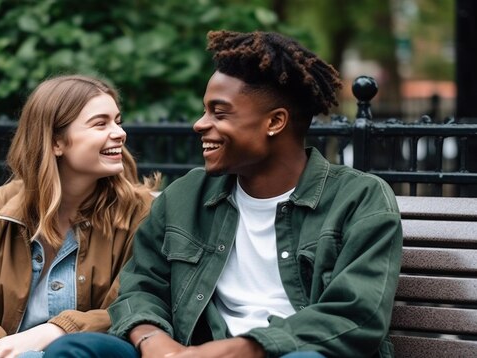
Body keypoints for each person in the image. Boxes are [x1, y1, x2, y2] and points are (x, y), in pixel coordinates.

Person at [45, 30, 403, 357]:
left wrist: (239, 350)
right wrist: (157, 343)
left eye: (219, 112)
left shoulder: (359, 200)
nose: (200, 124)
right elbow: (141, 288)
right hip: (190, 352)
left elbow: (357, 314)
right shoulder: (187, 195)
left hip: (290, 353)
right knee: (78, 349)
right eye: (205, 111)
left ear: (275, 122)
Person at [0, 74, 159, 358]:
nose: (120, 133)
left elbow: (133, 306)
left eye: (117, 121)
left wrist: (56, 330)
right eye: (101, 123)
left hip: (79, 352)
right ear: (56, 142)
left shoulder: (138, 214)